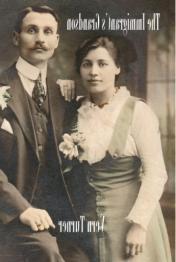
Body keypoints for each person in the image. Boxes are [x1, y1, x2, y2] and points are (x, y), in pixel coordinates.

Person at [59, 35, 172, 261]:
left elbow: (156, 174)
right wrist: (58, 86)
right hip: (88, 226)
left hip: (129, 224)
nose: (93, 72)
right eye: (86, 64)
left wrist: (139, 226)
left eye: (103, 64)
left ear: (118, 68)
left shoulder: (138, 112)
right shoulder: (73, 110)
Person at [0, 5, 88, 262]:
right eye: (31, 30)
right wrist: (21, 209)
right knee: (47, 253)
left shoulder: (64, 94)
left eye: (48, 31)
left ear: (56, 41)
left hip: (60, 214)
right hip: (12, 214)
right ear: (16, 37)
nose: (40, 38)